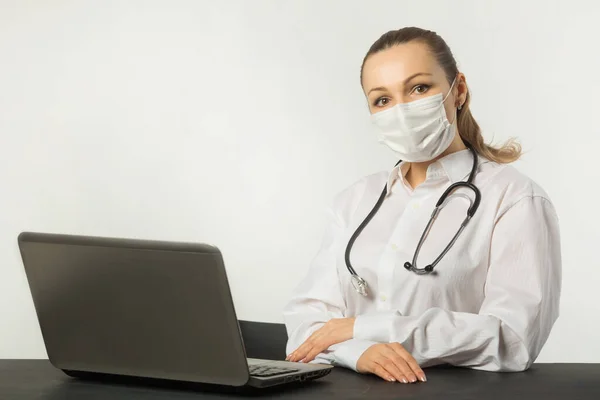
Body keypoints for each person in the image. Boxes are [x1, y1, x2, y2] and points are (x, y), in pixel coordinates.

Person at [282, 27, 561, 384]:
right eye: (382, 100)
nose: (401, 111)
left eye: (419, 88)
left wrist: (367, 329)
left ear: (458, 90)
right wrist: (359, 352)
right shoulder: (354, 202)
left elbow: (513, 337)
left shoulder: (515, 198)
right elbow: (306, 326)